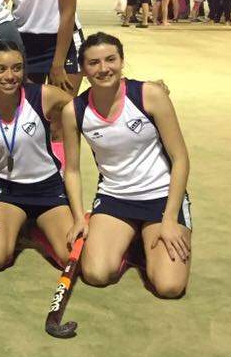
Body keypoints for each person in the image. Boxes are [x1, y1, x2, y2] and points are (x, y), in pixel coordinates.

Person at [61, 33, 191, 298]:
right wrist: (77, 217)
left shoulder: (149, 95)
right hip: (115, 199)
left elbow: (180, 159)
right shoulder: (74, 111)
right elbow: (72, 169)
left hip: (160, 199)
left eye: (111, 59)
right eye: (94, 63)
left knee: (169, 287)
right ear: (84, 69)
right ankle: (131, 240)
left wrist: (169, 219)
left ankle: (146, 238)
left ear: (122, 61)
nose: (103, 68)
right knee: (96, 274)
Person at [0, 41, 75, 271]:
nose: (10, 76)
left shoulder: (44, 96)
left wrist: (142, 89)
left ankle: (38, 229)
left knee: (71, 260)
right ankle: (15, 225)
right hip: (6, 191)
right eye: (1, 69)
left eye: (17, 68)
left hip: (49, 190)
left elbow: (87, 105)